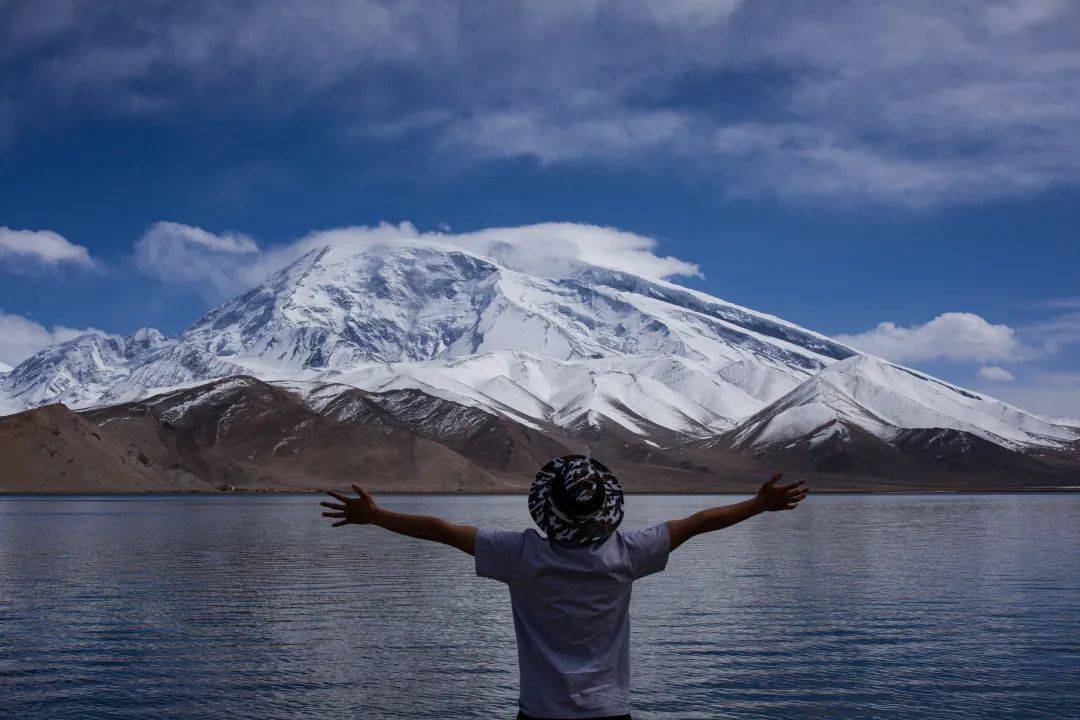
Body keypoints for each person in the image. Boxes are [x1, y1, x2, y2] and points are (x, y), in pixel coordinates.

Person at [321, 455, 809, 720]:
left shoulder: (520, 556)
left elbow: (440, 529)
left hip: (540, 713)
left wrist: (377, 516)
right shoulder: (628, 554)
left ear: (546, 509)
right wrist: (758, 503)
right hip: (609, 712)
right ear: (607, 510)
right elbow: (698, 522)